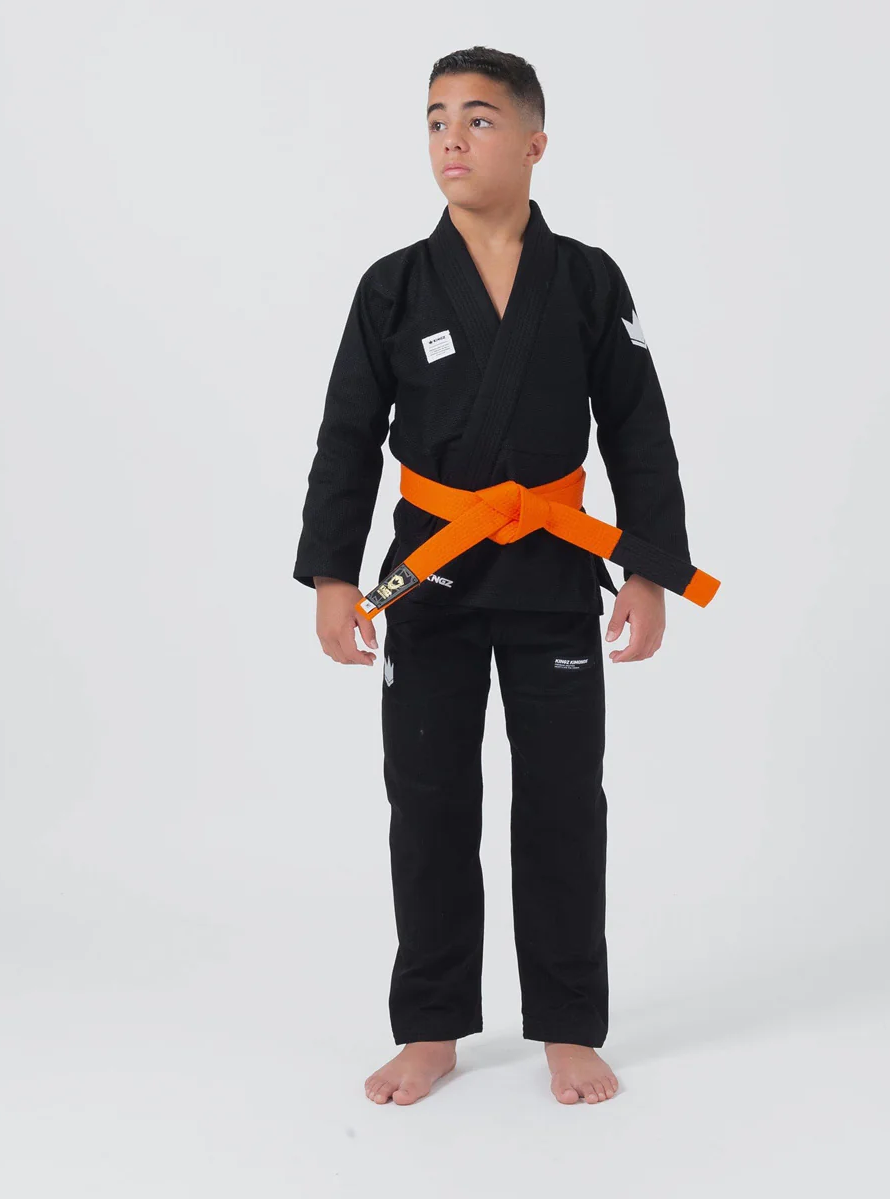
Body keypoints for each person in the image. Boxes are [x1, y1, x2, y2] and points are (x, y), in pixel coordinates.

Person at [294, 46, 715, 1106]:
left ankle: (569, 1023)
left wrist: (647, 569)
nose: (452, 138)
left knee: (564, 802)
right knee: (429, 800)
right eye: (436, 119)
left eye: (479, 119)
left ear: (534, 142)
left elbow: (637, 428)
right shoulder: (393, 285)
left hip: (554, 570)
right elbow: (347, 437)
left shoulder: (587, 279)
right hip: (429, 578)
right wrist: (333, 576)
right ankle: (430, 1025)